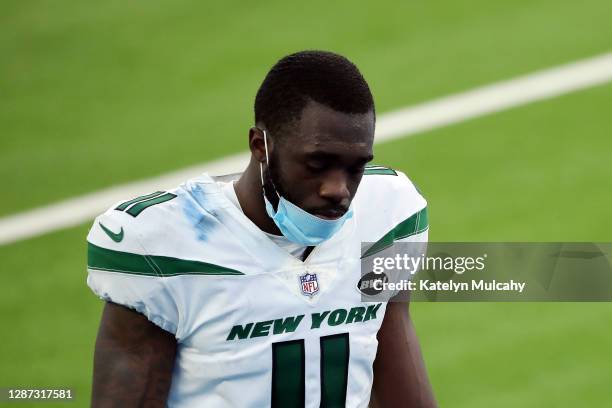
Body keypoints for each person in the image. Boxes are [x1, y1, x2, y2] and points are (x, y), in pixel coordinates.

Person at [86, 50, 436, 407]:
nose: (338, 189)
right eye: (317, 163)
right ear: (260, 145)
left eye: (355, 167)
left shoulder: (388, 217)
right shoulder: (161, 246)